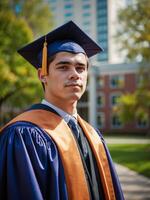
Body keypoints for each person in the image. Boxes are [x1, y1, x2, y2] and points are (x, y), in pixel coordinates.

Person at [0, 21, 124, 200]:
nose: (75, 74)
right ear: (42, 75)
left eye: (80, 68)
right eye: (63, 67)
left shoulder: (94, 136)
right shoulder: (23, 137)